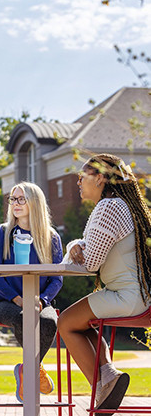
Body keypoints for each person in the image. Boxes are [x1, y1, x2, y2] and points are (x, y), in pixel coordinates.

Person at [57, 153, 151, 415]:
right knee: (79, 323)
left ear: (100, 178)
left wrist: (75, 246)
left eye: (82, 176)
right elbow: (90, 251)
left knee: (65, 322)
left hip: (124, 297)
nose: (78, 182)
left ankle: (103, 388)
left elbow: (90, 263)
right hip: (139, 296)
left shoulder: (108, 207)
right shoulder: (123, 205)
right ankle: (108, 375)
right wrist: (77, 244)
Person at [0, 181, 63, 403]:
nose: (15, 204)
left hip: (40, 301)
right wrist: (18, 299)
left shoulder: (52, 237)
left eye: (21, 199)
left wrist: (43, 299)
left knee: (49, 322)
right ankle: (34, 370)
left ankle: (26, 369)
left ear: (35, 202)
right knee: (24, 318)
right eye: (13, 199)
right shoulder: (0, 234)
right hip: (5, 302)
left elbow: (56, 279)